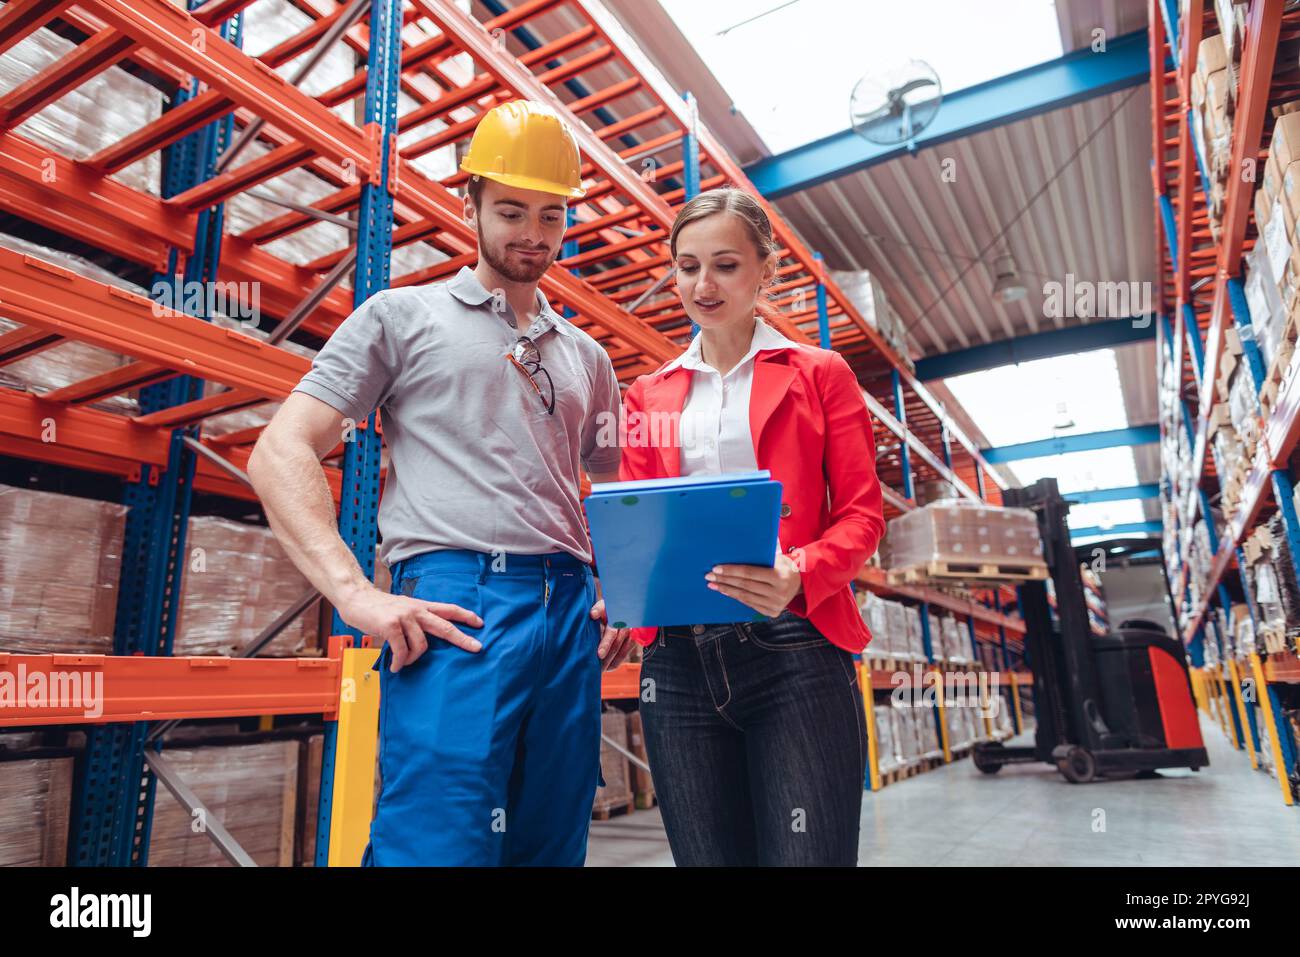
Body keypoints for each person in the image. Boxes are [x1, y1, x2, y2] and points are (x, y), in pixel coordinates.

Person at [248, 99, 635, 866]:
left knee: (550, 842)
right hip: (459, 602)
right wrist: (356, 593)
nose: (533, 233)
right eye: (512, 210)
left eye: (552, 215)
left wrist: (627, 590)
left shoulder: (588, 358)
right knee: (438, 840)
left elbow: (620, 488)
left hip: (569, 613)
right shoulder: (401, 317)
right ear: (471, 202)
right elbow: (280, 449)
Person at [618, 186, 886, 866]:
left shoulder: (820, 374)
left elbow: (862, 513)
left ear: (765, 267)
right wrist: (622, 588)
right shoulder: (647, 394)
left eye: (726, 264)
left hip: (793, 651)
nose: (702, 284)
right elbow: (637, 519)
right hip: (676, 665)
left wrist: (801, 572)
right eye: (686, 265)